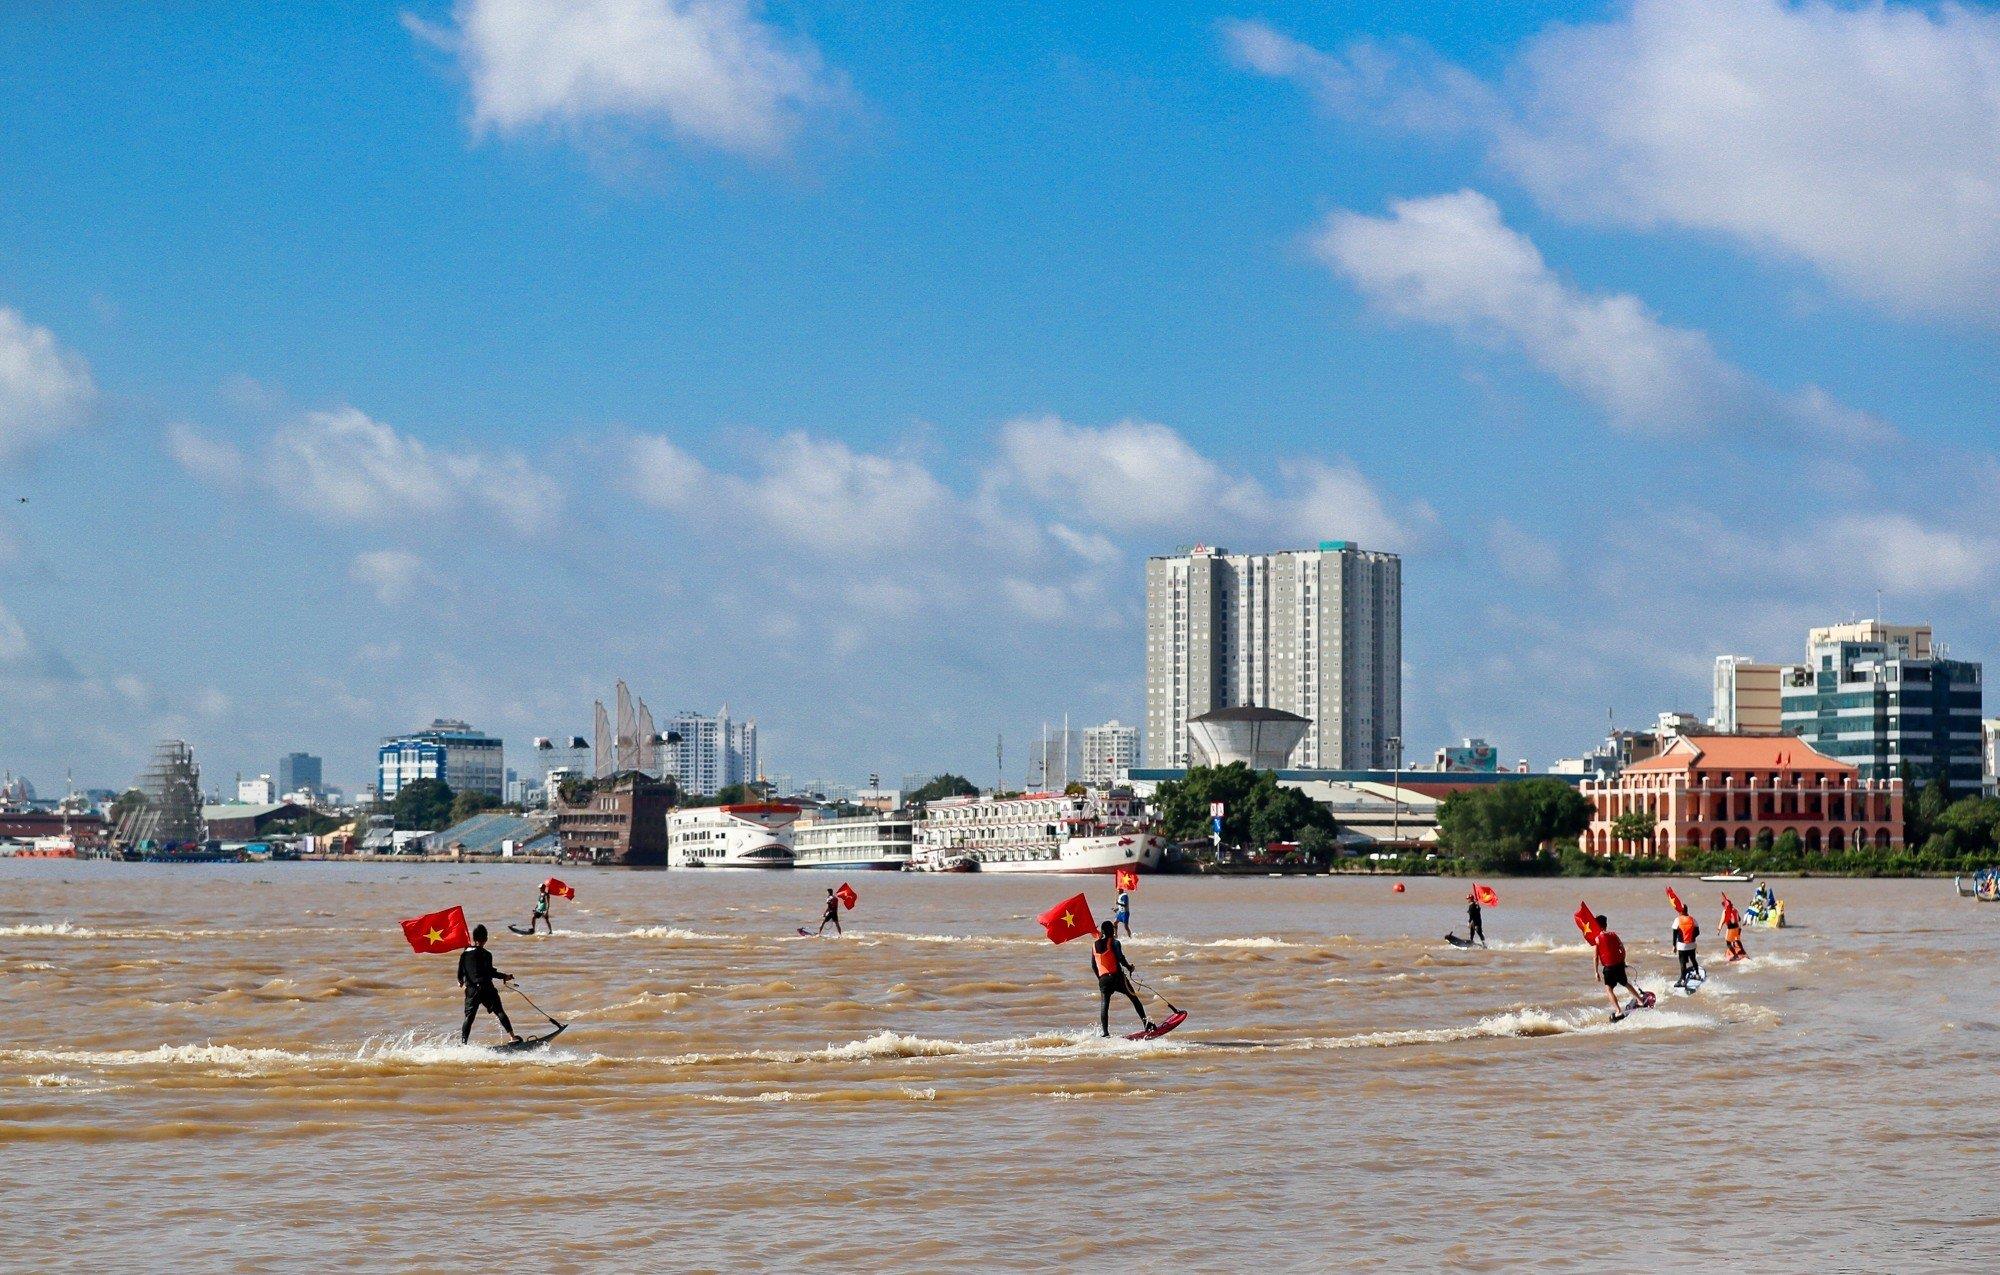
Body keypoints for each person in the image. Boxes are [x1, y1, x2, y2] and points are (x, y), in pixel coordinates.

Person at [457, 925, 521, 1045]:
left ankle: (463, 1044)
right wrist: (505, 976)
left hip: (471, 990)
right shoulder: (487, 954)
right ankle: (512, 1037)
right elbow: (490, 972)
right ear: (486, 939)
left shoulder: (464, 954)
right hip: (486, 987)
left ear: (474, 938)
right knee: (499, 1011)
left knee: (469, 1018)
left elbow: (460, 974)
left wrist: (460, 981)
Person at [1091, 920, 1153, 1038]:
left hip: (1103, 980)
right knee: (1134, 999)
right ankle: (1146, 1024)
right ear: (1112, 931)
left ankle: (1105, 1033)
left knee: (1104, 1005)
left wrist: (1101, 978)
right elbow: (1120, 958)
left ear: (1102, 931)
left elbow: (1093, 966)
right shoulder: (1115, 943)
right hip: (1117, 978)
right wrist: (1129, 967)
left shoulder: (1094, 946)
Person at [1590, 914, 1646, 1022]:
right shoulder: (1614, 935)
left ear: (1597, 926)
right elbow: (1622, 949)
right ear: (1606, 925)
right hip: (1619, 965)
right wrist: (1623, 961)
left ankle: (1618, 1011)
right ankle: (1640, 1001)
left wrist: (1596, 972)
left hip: (1609, 968)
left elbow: (1595, 957)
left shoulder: (1597, 939)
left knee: (1609, 989)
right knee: (1625, 983)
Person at [1671, 905, 1702, 988]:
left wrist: (1674, 945)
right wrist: (1691, 938)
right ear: (1687, 910)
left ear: (1680, 911)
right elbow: (1698, 932)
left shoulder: (1677, 920)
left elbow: (1674, 933)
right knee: (1693, 959)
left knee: (1682, 963)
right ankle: (1697, 974)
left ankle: (1683, 980)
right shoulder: (1692, 919)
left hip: (1682, 945)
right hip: (1692, 944)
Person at [1722, 897, 1747, 962]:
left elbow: (1725, 921)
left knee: (1729, 942)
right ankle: (1743, 951)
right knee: (1736, 939)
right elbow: (1739, 919)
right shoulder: (1735, 910)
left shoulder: (1727, 912)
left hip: (1733, 928)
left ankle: (1735, 955)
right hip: (1737, 927)